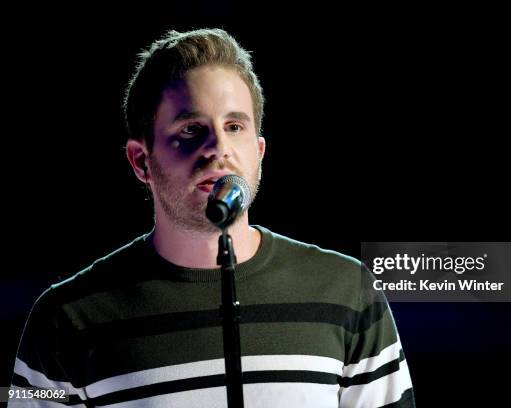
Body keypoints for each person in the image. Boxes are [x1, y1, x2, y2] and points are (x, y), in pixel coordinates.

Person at [9, 28, 415, 407]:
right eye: (190, 130)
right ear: (140, 160)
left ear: (259, 153)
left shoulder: (347, 290)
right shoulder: (64, 320)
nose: (218, 148)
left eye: (234, 126)